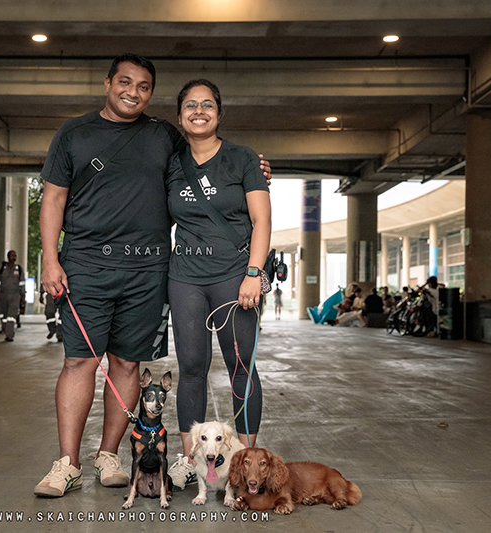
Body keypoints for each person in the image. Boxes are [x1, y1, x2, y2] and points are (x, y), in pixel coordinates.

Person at [35, 52, 273, 499]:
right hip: (94, 263)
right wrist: (51, 259)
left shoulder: (165, 136)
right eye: (125, 82)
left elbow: (223, 170)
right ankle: (68, 463)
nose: (133, 92)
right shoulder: (76, 133)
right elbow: (52, 199)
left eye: (144, 87)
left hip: (150, 268)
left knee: (129, 362)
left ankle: (112, 455)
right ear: (108, 83)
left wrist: (256, 170)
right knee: (81, 361)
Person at [164, 79, 271, 492]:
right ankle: (191, 462)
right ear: (180, 117)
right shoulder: (171, 163)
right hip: (185, 277)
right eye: (190, 105)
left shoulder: (242, 159)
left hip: (234, 275)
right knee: (191, 369)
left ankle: (248, 464)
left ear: (219, 114)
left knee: (241, 368)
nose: (199, 110)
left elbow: (261, 219)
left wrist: (253, 273)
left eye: (208, 104)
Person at [0, 250, 25, 342]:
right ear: (8, 257)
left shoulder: (19, 269)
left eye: (15, 255)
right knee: (4, 314)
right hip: (3, 295)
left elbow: (22, 283)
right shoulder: (2, 269)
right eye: (12, 255)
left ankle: (9, 335)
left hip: (15, 295)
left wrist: (23, 296)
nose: (14, 257)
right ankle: (4, 328)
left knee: (12, 315)